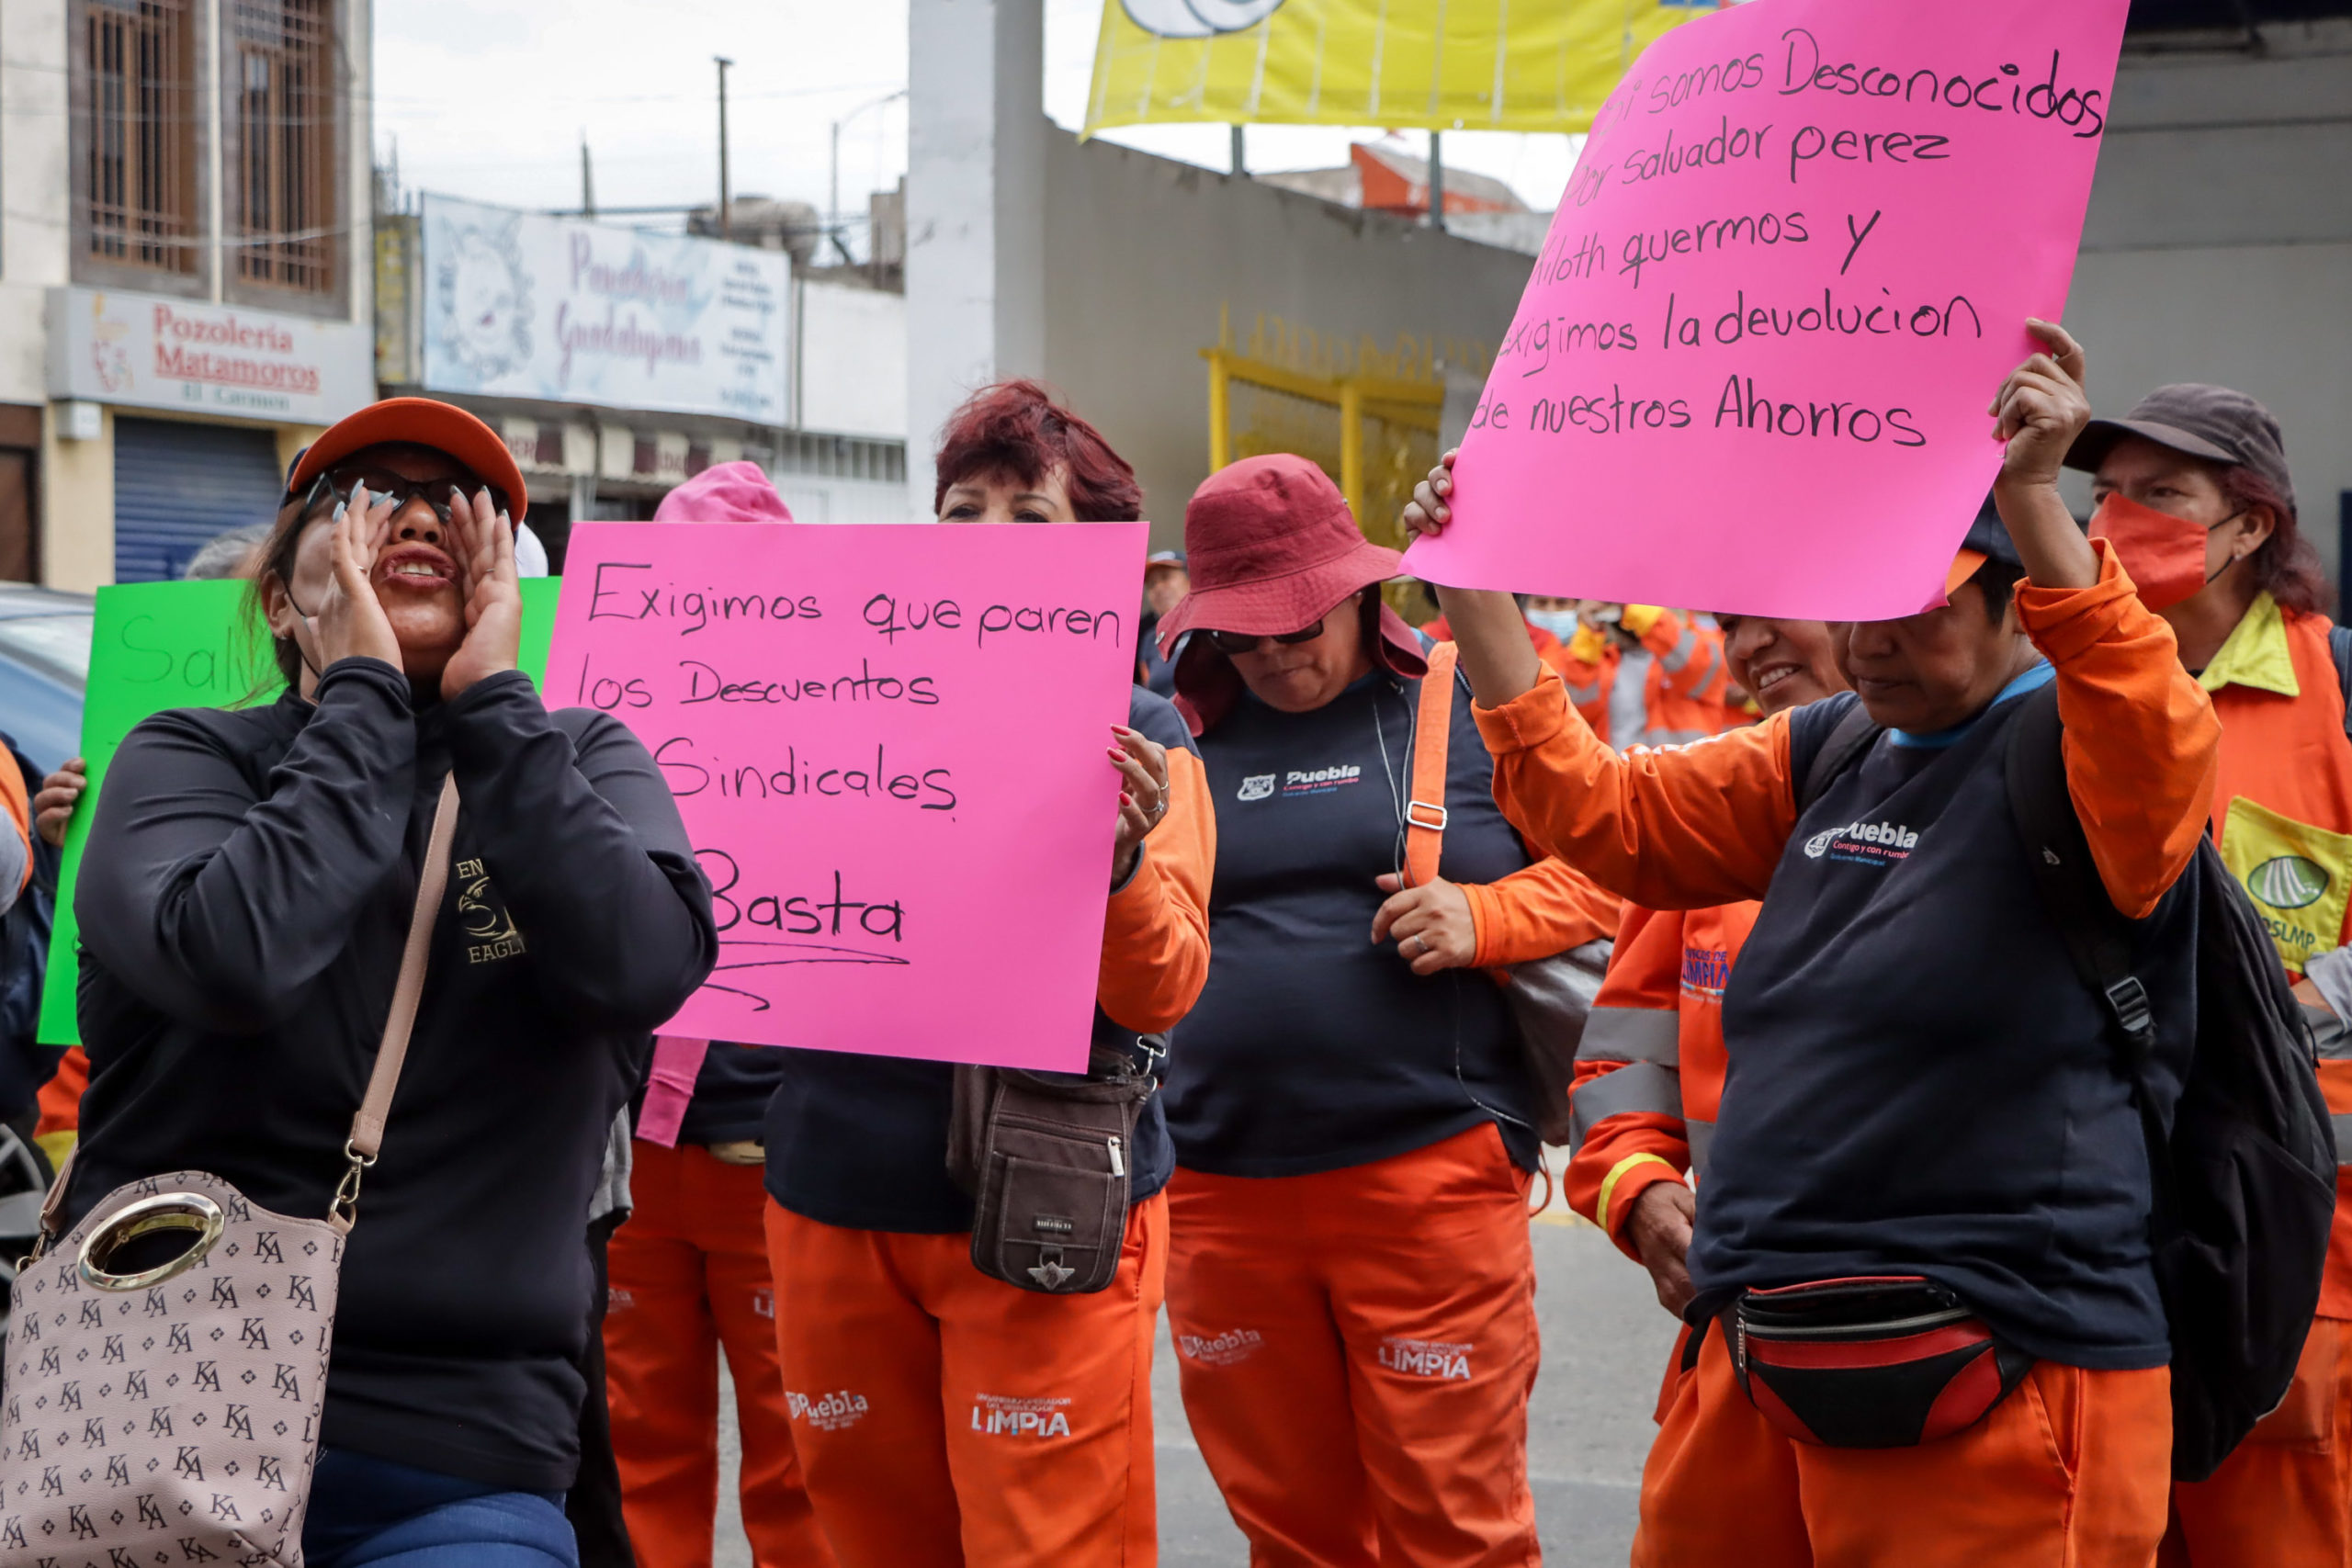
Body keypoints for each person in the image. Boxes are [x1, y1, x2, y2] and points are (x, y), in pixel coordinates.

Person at [1404, 320, 2215, 1566]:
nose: (1875, 641)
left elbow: (2149, 715)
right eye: (1859, 606)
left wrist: (2034, 493)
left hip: (2003, 1369)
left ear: (2021, 603)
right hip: (1783, 1342)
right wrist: (1474, 579)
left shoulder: (2087, 755)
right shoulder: (1831, 749)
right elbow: (1600, 812)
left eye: (1919, 607)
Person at [55, 397, 718, 1564]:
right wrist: (360, 690)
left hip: (459, 1454)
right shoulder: (184, 757)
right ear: (278, 596)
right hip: (157, 1413)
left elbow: (642, 964)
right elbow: (239, 956)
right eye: (365, 497)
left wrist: (495, 714)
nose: (413, 515)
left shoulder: (579, 759)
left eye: (453, 504)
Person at [761, 379, 1214, 1568]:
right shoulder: (829, 713)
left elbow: (1162, 989)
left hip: (1042, 1206)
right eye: (961, 511)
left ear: (1106, 565)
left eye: (1032, 519)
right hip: (832, 1199)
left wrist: (1114, 859)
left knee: (1043, 1542)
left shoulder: (1149, 743)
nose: (986, 544)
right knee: (866, 1534)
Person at [1148, 453, 1619, 1566]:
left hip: (1424, 1185)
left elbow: (1620, 866)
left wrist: (1482, 917)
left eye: (1296, 625)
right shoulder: (1178, 738)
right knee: (1292, 1531)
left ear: (1361, 592)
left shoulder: (1468, 700)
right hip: (1219, 1198)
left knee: (1454, 1529)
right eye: (1241, 634)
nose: (1272, 656)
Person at [2061, 386, 2352, 1567]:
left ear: (2250, 528)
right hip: (2083, 1220)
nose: (2117, 522)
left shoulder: (2340, 692)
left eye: (2161, 496)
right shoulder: (2052, 691)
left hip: (2295, 1239)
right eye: (2104, 495)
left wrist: (2307, 1007)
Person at [597, 461, 825, 1568]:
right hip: (630, 1147)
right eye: (680, 584)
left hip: (768, 1146)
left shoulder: (845, 720)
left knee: (802, 1446)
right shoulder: (597, 721)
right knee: (638, 1438)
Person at [1563, 612, 1847, 1364]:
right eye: (1732, 623)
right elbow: (1623, 1061)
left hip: (1953, 1349)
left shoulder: (2008, 794)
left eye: (1782, 612)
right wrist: (1639, 1190)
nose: (1749, 644)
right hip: (1743, 1337)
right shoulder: (1707, 824)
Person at [1553, 601, 1735, 750]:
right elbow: (1576, 708)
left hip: (1680, 785)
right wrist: (1589, 635)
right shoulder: (1603, 659)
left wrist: (1634, 607)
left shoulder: (1702, 644)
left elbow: (1695, 667)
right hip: (1622, 785)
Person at [1138, 548, 1189, 695]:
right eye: (1152, 584)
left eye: (1166, 577)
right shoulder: (1149, 640)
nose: (1159, 588)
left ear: (1190, 580)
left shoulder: (1207, 619)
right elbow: (1149, 691)